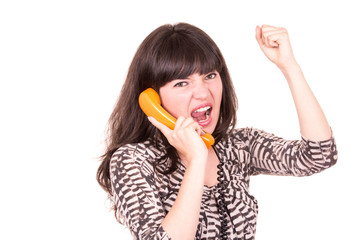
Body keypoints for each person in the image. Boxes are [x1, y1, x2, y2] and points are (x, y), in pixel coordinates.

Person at [96, 22, 337, 240]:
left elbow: (319, 155)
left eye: (210, 75)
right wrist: (197, 158)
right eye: (182, 83)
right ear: (151, 99)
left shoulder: (237, 147)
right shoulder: (133, 161)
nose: (203, 92)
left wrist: (290, 67)